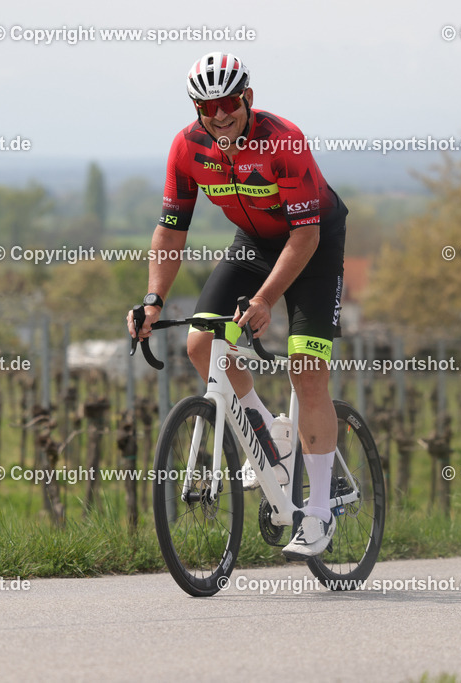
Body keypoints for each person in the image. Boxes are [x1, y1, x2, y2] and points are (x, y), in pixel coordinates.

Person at [127, 52, 348, 559]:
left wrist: (268, 300)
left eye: (228, 102)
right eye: (207, 105)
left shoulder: (281, 140)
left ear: (247, 98)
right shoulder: (188, 147)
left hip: (311, 244)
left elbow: (305, 234)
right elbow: (170, 230)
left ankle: (317, 513)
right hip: (253, 242)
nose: (219, 113)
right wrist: (153, 301)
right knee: (201, 342)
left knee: (307, 369)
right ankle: (272, 437)